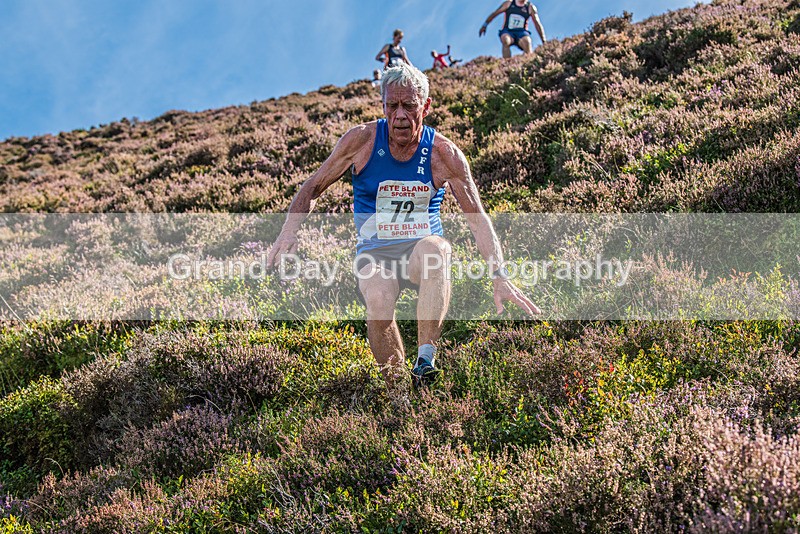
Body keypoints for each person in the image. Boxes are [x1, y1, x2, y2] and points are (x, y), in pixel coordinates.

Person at [266, 63, 540, 400]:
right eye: (391, 105)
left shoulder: (444, 153)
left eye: (409, 105)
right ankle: (399, 392)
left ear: (425, 106)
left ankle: (425, 362)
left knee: (437, 251)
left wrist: (500, 274)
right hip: (375, 252)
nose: (399, 115)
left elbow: (477, 218)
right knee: (378, 298)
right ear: (382, 106)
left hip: (419, 251)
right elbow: (313, 186)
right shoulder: (361, 140)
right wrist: (287, 230)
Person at [479, 0, 546, 59]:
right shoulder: (508, 3)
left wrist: (544, 41)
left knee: (527, 41)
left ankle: (529, 62)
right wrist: (485, 25)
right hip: (508, 31)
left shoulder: (530, 7)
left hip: (521, 32)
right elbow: (495, 14)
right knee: (505, 40)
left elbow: (537, 24)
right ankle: (507, 64)